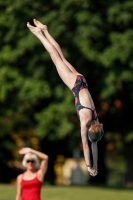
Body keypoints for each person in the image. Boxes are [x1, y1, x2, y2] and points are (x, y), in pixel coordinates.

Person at [27, 19, 104, 177]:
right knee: (55, 57)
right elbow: (86, 145)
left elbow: (94, 143)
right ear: (89, 130)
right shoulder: (84, 121)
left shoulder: (96, 119)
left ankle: (45, 30)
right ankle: (38, 34)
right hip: (74, 84)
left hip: (81, 80)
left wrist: (94, 165)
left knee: (60, 56)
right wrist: (90, 166)